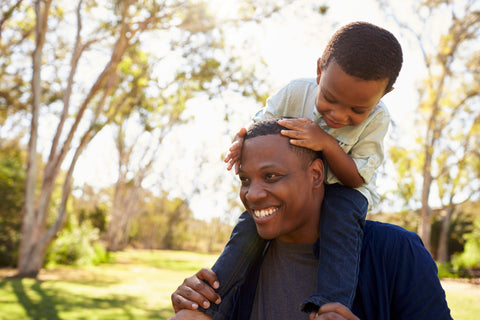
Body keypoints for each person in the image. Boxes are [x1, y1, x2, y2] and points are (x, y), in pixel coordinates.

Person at [169, 119, 452, 320]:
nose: (252, 194)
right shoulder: (243, 261)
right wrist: (192, 306)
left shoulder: (396, 251)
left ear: (316, 175)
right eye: (244, 179)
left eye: (271, 177)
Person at [215, 21, 404, 317]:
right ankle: (212, 295)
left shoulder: (378, 119)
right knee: (248, 224)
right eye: (329, 98)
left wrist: (326, 143)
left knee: (340, 224)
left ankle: (329, 304)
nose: (339, 114)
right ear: (319, 71)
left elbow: (356, 178)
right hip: (294, 190)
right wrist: (241, 140)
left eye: (357, 110)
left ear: (384, 94)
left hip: (345, 189)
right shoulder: (295, 93)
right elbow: (258, 128)